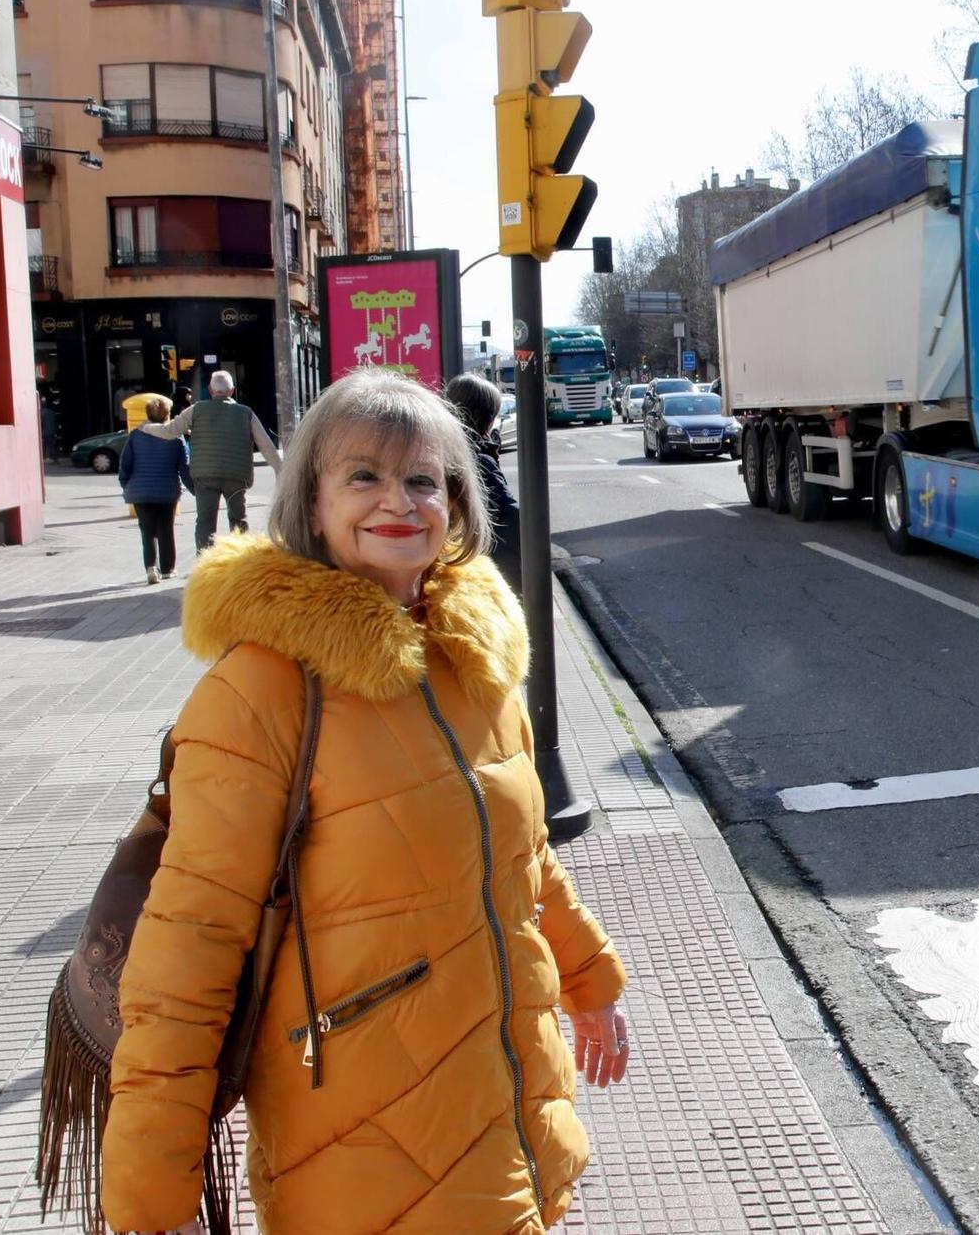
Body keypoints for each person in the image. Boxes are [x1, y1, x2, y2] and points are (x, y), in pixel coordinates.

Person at [99, 370, 630, 1235]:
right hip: (357, 1145)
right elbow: (186, 955)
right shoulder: (260, 690)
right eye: (364, 477)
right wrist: (154, 1196)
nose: (399, 502)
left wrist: (590, 977)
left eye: (423, 479)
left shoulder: (473, 662)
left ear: (456, 505)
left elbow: (521, 857)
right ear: (311, 505)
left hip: (510, 1110)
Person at [158, 370, 283, 551]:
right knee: (238, 519)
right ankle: (240, 560)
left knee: (205, 522)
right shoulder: (245, 413)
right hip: (236, 476)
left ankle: (205, 564)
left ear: (210, 389)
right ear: (232, 391)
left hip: (205, 476)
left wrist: (146, 428)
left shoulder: (196, 410)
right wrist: (279, 469)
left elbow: (169, 431)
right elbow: (265, 444)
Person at [444, 371, 523, 591]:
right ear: (485, 418)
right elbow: (511, 517)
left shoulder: (442, 452)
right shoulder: (478, 462)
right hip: (487, 573)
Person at [117, 396, 194, 584]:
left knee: (147, 531)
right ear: (167, 414)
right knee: (166, 530)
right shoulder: (176, 438)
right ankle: (168, 569)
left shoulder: (135, 435)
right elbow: (184, 468)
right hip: (167, 491)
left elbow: (125, 464)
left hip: (140, 492)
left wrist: (126, 485)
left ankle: (151, 567)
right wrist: (194, 490)